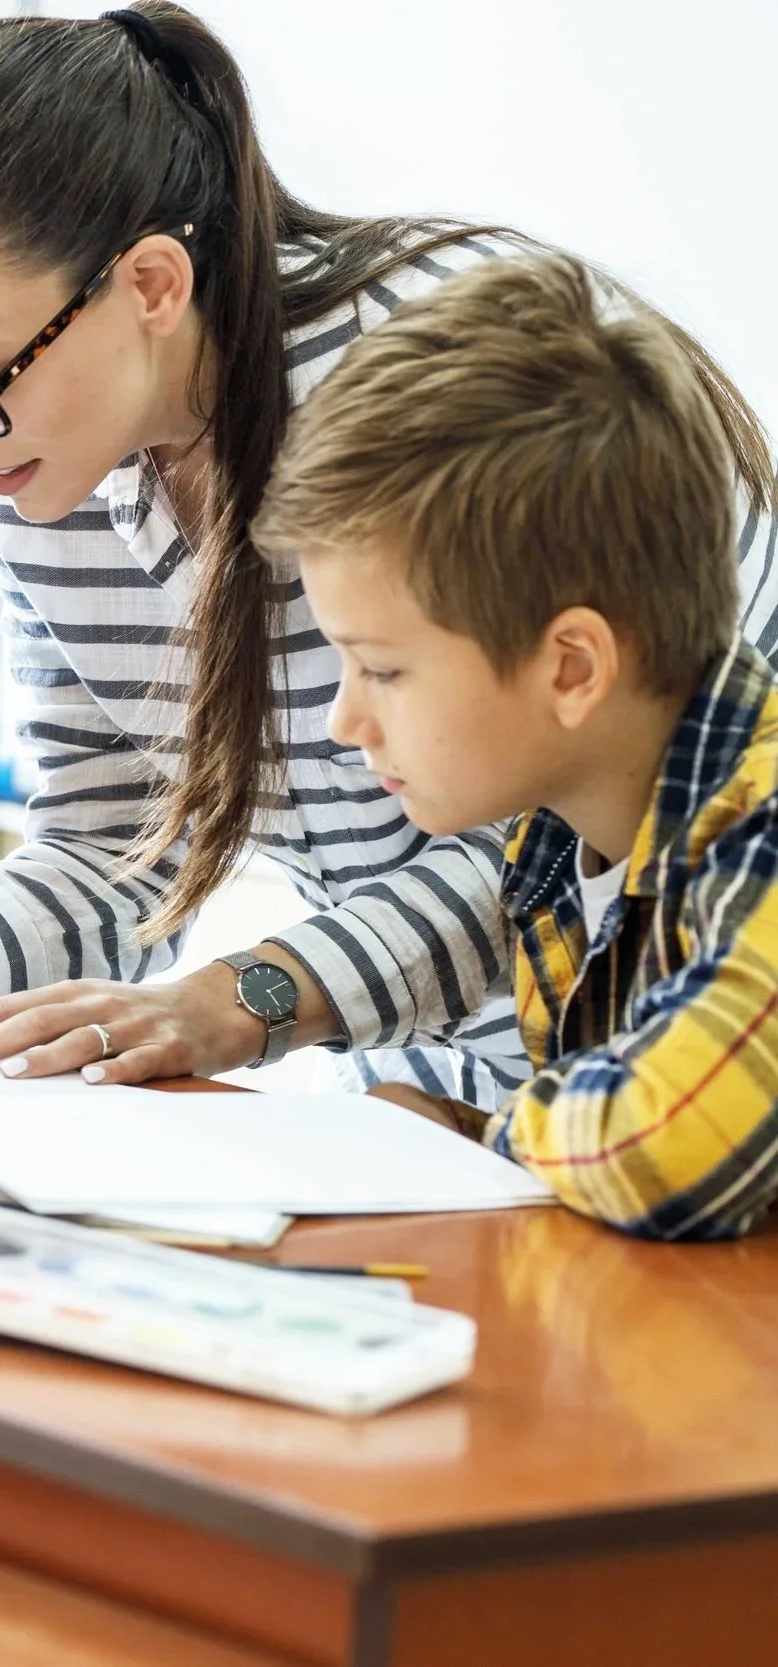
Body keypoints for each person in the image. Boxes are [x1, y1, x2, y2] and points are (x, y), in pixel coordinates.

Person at [0, 2, 776, 1104]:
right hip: (416, 1112)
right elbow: (114, 854)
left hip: (666, 1071)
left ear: (151, 284)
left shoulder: (438, 399)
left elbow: (561, 834)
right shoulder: (35, 459)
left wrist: (245, 997)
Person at [272, 253, 778, 1240]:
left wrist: (486, 1135)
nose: (345, 721)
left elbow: (670, 1142)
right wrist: (452, 1132)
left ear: (571, 668)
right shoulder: (554, 847)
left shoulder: (761, 825)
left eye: (381, 668)